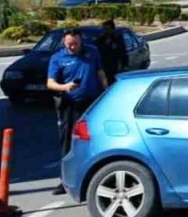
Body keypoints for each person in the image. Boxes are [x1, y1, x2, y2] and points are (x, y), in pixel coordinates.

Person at [46, 28, 108, 193]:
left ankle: (94, 177)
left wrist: (106, 91)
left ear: (81, 41)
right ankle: (65, 180)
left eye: (76, 43)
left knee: (94, 139)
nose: (73, 47)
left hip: (91, 103)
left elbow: (100, 72)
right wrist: (65, 87)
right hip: (71, 105)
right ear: (64, 42)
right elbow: (50, 83)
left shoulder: (92, 52)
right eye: (69, 44)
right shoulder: (58, 58)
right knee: (68, 142)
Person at [96, 19, 127, 85]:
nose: (105, 31)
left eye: (107, 29)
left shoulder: (117, 40)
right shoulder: (99, 40)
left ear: (112, 29)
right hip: (102, 70)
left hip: (114, 70)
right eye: (104, 29)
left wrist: (124, 66)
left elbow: (123, 54)